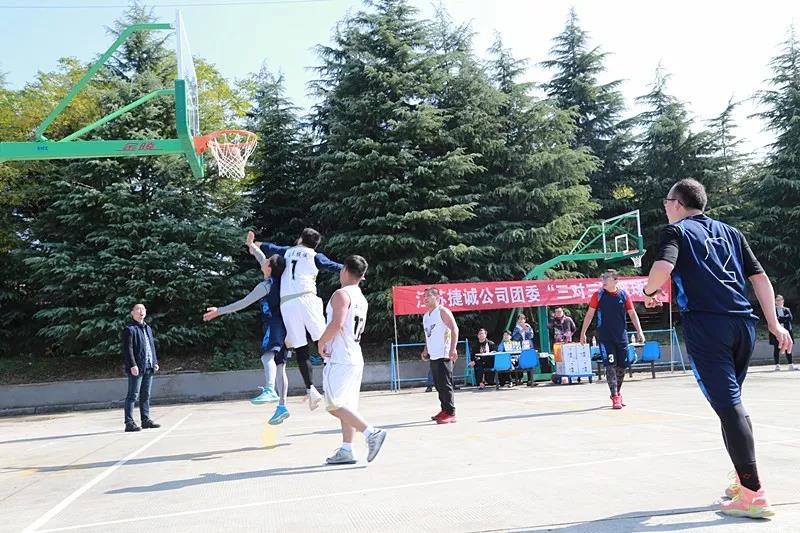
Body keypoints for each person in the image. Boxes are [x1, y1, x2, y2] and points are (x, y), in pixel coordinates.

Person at [643, 178, 792, 518]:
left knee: (729, 407)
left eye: (666, 202)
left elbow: (663, 267)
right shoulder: (731, 233)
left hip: (708, 327)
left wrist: (650, 292)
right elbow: (760, 278)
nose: (665, 208)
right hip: (743, 326)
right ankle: (744, 481)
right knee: (732, 405)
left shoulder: (676, 231)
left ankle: (753, 495)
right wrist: (774, 323)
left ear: (677, 203)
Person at [203, 237, 291, 425]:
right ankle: (282, 406)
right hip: (284, 325)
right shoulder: (278, 279)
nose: (264, 260)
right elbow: (261, 258)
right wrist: (251, 245)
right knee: (280, 366)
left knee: (266, 357)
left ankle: (270, 389)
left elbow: (243, 303)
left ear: (269, 267)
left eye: (267, 260)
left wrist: (219, 311)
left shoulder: (266, 286)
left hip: (273, 324)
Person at [256, 228, 343, 411]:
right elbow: (333, 266)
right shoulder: (315, 255)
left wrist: (258, 244)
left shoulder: (288, 251)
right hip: (307, 298)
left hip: (287, 303)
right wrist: (352, 270)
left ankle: (311, 390)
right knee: (324, 342)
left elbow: (273, 247)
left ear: (301, 238)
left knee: (301, 348)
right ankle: (336, 383)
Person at [317, 255, 387, 464]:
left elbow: (337, 323)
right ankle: (347, 448)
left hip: (340, 357)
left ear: (344, 269)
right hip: (354, 355)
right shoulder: (361, 298)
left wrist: (321, 342)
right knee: (347, 406)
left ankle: (371, 433)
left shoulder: (341, 294)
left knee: (334, 405)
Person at [579, 269, 645, 409]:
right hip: (605, 337)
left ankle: (617, 393)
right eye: (602, 278)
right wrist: (583, 333)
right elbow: (589, 315)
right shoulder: (598, 295)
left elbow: (632, 314)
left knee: (622, 367)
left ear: (615, 280)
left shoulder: (623, 295)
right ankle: (615, 396)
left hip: (621, 336)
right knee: (610, 366)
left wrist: (639, 331)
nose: (603, 280)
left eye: (606, 278)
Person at [421, 287, 459, 424]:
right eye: (424, 296)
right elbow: (428, 335)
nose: (425, 298)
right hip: (434, 354)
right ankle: (444, 409)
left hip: (444, 353)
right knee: (438, 384)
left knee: (445, 384)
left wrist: (453, 349)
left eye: (428, 296)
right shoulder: (426, 316)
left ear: (437, 297)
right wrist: (426, 350)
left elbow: (454, 329)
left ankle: (451, 412)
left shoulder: (442, 311)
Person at [122, 303, 160, 432]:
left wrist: (154, 361)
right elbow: (128, 350)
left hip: (148, 366)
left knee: (145, 395)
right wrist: (133, 365)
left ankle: (145, 420)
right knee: (133, 395)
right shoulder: (129, 329)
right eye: (138, 309)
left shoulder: (148, 328)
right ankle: (129, 423)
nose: (141, 311)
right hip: (137, 367)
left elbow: (151, 346)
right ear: (132, 313)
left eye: (143, 309)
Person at [771, 295, 795, 371]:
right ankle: (777, 365)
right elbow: (775, 320)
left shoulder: (787, 309)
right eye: (777, 300)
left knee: (788, 346)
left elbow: (790, 318)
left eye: (780, 300)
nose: (779, 302)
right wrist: (784, 318)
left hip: (787, 331)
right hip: (777, 332)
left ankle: (790, 364)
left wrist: (781, 318)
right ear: (775, 302)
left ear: (783, 301)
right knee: (777, 348)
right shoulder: (773, 311)